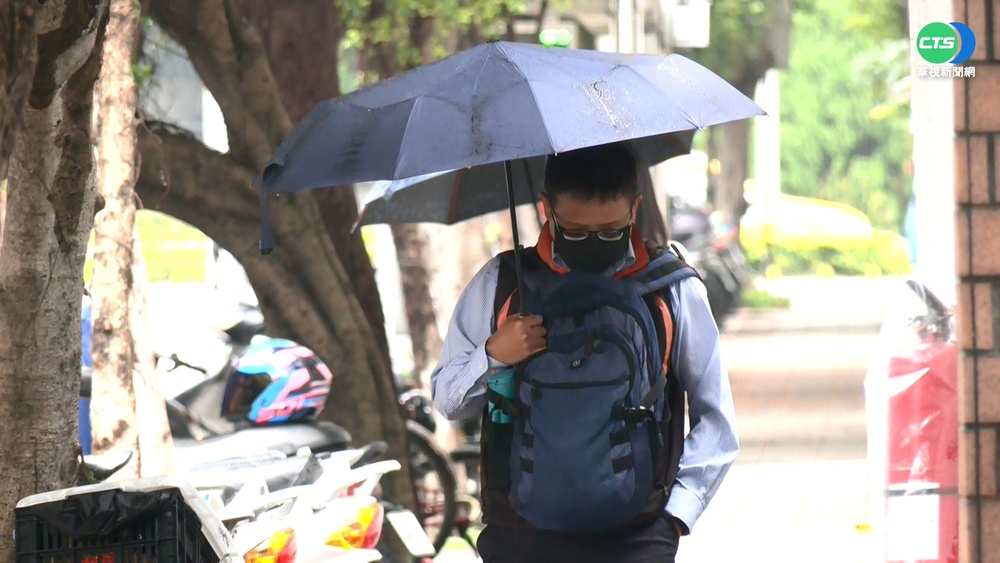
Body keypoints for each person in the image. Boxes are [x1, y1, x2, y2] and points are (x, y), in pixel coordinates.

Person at [431, 142, 739, 562]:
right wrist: (493, 354)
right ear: (546, 209)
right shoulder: (503, 283)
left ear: (635, 208)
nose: (593, 242)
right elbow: (447, 399)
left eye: (611, 230)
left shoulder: (670, 287)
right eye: (574, 231)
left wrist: (675, 516)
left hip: (636, 538)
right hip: (521, 535)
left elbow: (717, 417)